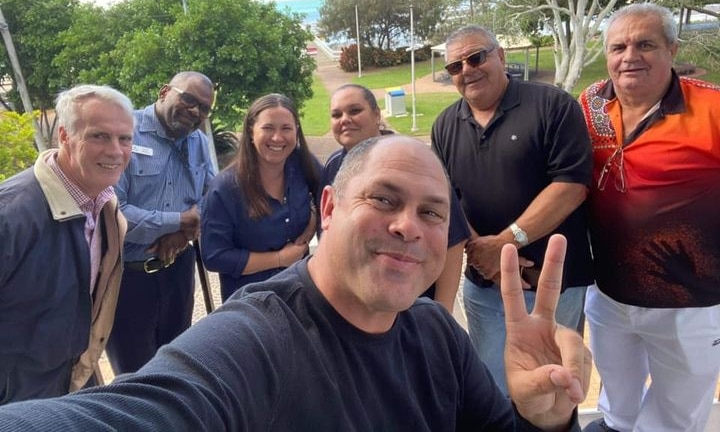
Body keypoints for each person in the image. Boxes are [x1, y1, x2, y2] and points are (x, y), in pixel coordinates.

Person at [0, 135, 592, 431]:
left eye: (433, 213)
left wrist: (547, 418)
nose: (409, 226)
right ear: (329, 207)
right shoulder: (253, 343)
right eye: (383, 199)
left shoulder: (435, 332)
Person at [578, 3, 720, 432]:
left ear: (672, 49)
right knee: (617, 407)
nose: (629, 56)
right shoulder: (590, 105)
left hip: (691, 302)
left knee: (676, 418)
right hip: (610, 296)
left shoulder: (712, 108)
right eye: (618, 46)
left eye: (645, 44)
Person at [431, 24, 594, 394]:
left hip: (551, 287)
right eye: (455, 66)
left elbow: (571, 187)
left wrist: (506, 245)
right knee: (490, 387)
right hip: (484, 286)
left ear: (501, 56)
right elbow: (446, 200)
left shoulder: (552, 105)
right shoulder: (445, 125)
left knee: (551, 387)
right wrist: (484, 256)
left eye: (476, 57)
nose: (466, 70)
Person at [0, 85, 134, 404]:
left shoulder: (105, 206)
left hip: (64, 386)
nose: (116, 150)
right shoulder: (11, 215)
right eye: (99, 136)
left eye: (125, 138)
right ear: (64, 136)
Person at [105, 71, 217, 375]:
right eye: (189, 99)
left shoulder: (198, 141)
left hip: (178, 270)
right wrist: (178, 221)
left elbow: (212, 194)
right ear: (164, 91)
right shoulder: (123, 134)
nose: (195, 111)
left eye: (204, 108)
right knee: (135, 375)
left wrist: (181, 236)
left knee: (177, 362)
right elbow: (114, 213)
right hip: (128, 279)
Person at [321, 83, 470, 311]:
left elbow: (453, 240)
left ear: (377, 115)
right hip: (351, 308)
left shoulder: (417, 165)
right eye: (336, 114)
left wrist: (443, 310)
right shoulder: (333, 167)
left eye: (354, 111)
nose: (345, 119)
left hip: (412, 308)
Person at [200, 93, 320, 301]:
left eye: (286, 128)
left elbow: (330, 198)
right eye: (268, 128)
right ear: (250, 130)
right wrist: (279, 259)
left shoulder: (301, 163)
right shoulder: (225, 189)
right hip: (252, 302)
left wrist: (311, 225)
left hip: (300, 293)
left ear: (297, 131)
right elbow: (215, 257)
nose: (277, 137)